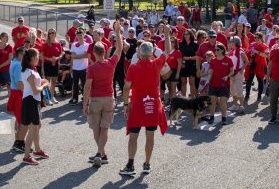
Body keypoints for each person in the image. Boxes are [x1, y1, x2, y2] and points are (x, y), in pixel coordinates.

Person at [119, 25, 170, 176]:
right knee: (150, 135)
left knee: (134, 135)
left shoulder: (133, 68)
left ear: (140, 54)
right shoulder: (156, 64)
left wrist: (126, 104)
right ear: (152, 53)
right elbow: (167, 52)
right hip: (153, 105)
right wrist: (166, 35)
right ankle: (147, 164)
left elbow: (127, 87)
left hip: (138, 105)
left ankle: (130, 165)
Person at [83, 22, 123, 167]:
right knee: (105, 128)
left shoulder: (91, 68)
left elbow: (87, 87)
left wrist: (85, 103)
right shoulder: (111, 63)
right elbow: (119, 48)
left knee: (96, 128)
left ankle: (99, 153)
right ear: (105, 52)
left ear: (94, 52)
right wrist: (117, 32)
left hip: (95, 100)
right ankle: (102, 154)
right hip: (109, 99)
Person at [21, 48, 50, 165]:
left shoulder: (32, 70)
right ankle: (26, 156)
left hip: (34, 101)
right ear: (33, 58)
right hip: (31, 101)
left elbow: (35, 82)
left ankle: (37, 150)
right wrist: (44, 86)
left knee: (37, 126)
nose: (39, 58)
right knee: (33, 128)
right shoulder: (29, 72)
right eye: (37, 56)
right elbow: (35, 90)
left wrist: (42, 80)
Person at [207, 42, 234, 125]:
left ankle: (224, 118)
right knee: (212, 101)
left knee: (223, 101)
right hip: (213, 84)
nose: (216, 51)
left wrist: (227, 76)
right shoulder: (213, 60)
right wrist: (208, 79)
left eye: (217, 50)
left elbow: (232, 71)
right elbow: (211, 72)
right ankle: (211, 117)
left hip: (224, 85)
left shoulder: (228, 59)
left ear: (222, 50)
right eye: (215, 50)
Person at [7, 47, 27, 152]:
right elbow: (20, 83)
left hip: (15, 93)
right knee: (22, 121)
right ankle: (18, 142)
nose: (26, 57)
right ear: (20, 55)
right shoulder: (18, 64)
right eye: (25, 55)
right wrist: (27, 93)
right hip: (19, 94)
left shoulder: (14, 62)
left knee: (19, 120)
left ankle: (19, 141)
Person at [228, 37, 249, 114]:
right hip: (232, 73)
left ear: (235, 43)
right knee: (233, 90)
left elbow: (246, 61)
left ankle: (242, 106)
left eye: (231, 41)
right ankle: (235, 105)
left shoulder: (240, 51)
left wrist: (241, 69)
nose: (230, 43)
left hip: (238, 73)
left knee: (239, 89)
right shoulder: (232, 51)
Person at [41, 28, 62, 104]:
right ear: (48, 35)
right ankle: (47, 98)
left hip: (55, 64)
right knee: (47, 82)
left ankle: (52, 96)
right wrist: (49, 59)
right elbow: (42, 56)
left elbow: (61, 54)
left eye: (53, 33)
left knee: (53, 82)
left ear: (55, 33)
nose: (51, 34)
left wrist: (56, 58)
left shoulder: (58, 43)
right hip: (48, 64)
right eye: (50, 33)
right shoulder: (45, 44)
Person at [0, 32, 13, 108]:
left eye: (8, 37)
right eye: (5, 36)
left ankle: (10, 103)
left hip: (7, 70)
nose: (7, 38)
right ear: (1, 38)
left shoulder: (10, 47)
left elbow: (9, 60)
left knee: (9, 86)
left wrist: (0, 66)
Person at [245, 32, 268, 102]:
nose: (256, 39)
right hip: (252, 64)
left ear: (261, 38)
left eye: (258, 37)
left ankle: (259, 95)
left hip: (260, 65)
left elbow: (266, 55)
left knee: (260, 81)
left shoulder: (265, 46)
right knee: (249, 80)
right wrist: (250, 53)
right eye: (255, 37)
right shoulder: (252, 44)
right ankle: (247, 95)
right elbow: (248, 51)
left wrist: (256, 52)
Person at [69, 28, 89, 105]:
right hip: (75, 68)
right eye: (78, 35)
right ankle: (75, 98)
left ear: (84, 35)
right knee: (75, 84)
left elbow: (87, 55)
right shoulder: (74, 45)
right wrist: (71, 67)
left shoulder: (87, 45)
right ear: (76, 36)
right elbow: (72, 57)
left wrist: (77, 56)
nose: (80, 36)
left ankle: (85, 98)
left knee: (84, 84)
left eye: (81, 35)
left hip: (84, 67)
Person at [179, 29, 198, 97]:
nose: (186, 36)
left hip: (192, 65)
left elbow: (197, 56)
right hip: (183, 65)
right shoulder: (181, 44)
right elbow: (179, 55)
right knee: (183, 82)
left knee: (191, 83)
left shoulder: (195, 44)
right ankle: (183, 99)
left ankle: (192, 99)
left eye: (187, 34)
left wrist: (189, 58)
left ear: (191, 35)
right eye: (185, 34)